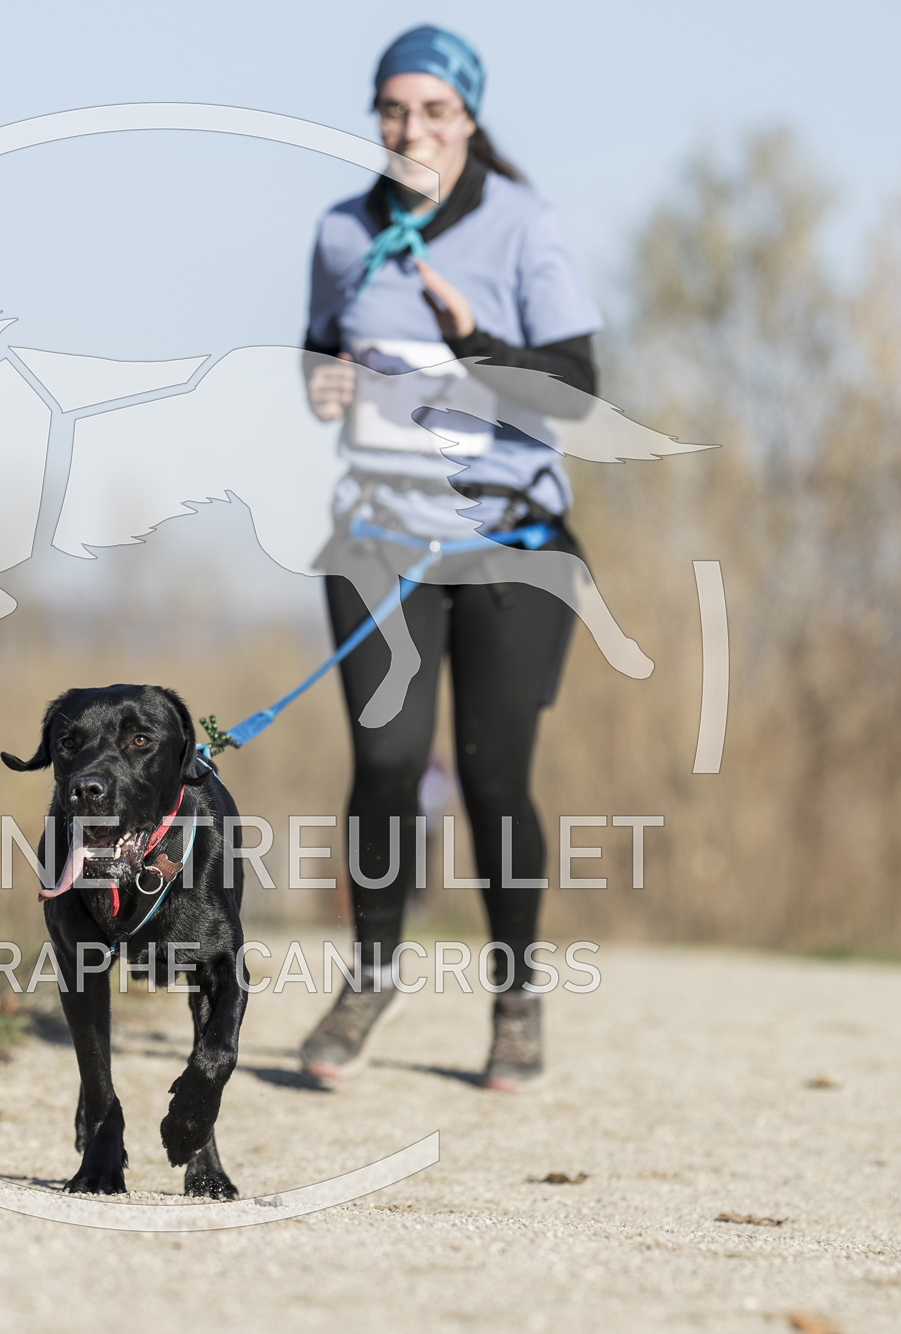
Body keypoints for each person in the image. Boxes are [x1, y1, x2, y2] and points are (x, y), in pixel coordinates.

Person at [296, 24, 603, 1091]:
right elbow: (317, 347)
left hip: (511, 544)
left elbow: (578, 389)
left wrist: (474, 344)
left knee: (491, 776)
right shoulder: (341, 231)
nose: (412, 127)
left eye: (434, 109)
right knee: (385, 760)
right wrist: (321, 382)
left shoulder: (523, 227)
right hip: (378, 537)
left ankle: (515, 999)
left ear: (469, 118)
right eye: (394, 108)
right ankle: (371, 974)